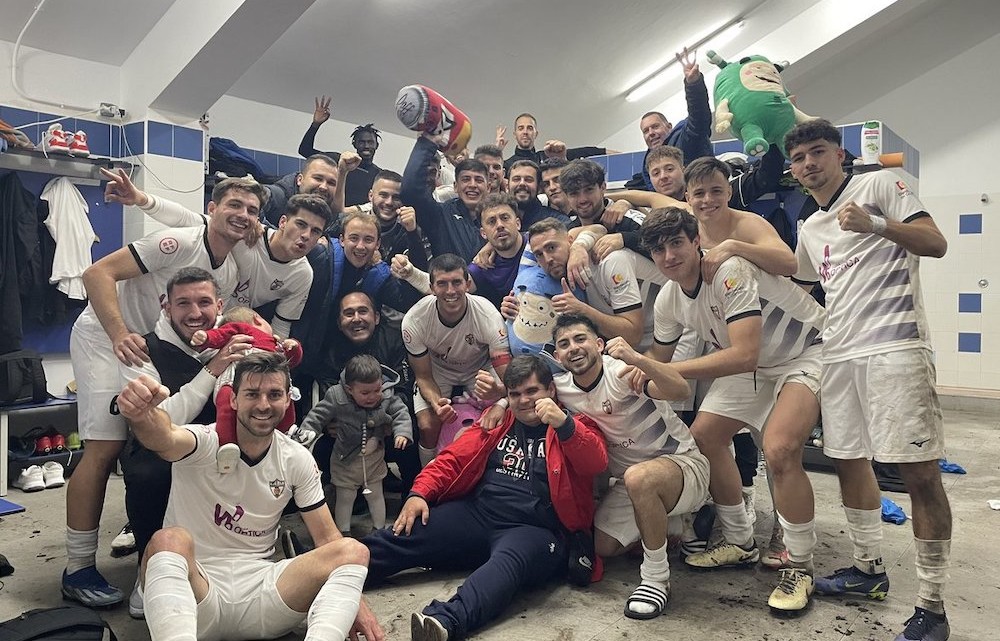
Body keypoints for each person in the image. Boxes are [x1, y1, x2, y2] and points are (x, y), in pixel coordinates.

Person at [786, 119, 952, 641]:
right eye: (799, 159)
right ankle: (867, 570)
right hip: (840, 355)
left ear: (840, 155)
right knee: (847, 459)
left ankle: (932, 607)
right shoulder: (809, 227)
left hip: (895, 348)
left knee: (919, 473)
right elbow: (809, 286)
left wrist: (876, 226)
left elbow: (935, 242)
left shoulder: (879, 186)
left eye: (818, 152)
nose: (809, 163)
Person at [62, 173, 258, 607]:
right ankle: (77, 569)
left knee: (175, 441)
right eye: (234, 206)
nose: (242, 216)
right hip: (108, 335)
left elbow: (179, 213)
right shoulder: (181, 241)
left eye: (251, 211)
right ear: (213, 208)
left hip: (150, 344)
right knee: (105, 447)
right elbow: (97, 273)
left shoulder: (227, 264)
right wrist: (116, 332)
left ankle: (158, 547)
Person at [116, 352, 383, 641]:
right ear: (233, 400)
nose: (264, 405)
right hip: (196, 594)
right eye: (252, 394)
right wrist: (142, 415)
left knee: (353, 551)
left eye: (274, 394)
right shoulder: (206, 441)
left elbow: (328, 540)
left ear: (287, 400)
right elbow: (164, 437)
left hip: (264, 597)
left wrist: (357, 602)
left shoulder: (295, 458)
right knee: (167, 540)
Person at [640, 206, 825, 614]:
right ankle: (739, 542)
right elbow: (658, 358)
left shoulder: (730, 270)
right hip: (755, 365)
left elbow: (743, 354)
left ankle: (800, 566)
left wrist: (661, 369)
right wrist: (628, 370)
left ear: (696, 242)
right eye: (658, 249)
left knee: (778, 449)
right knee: (705, 436)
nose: (669, 256)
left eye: (676, 243)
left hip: (806, 351)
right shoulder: (670, 298)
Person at [364, 354, 608, 641]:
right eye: (515, 394)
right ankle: (335, 567)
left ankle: (445, 621)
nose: (524, 400)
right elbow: (453, 459)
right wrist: (419, 493)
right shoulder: (498, 421)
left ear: (550, 391)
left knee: (508, 563)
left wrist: (563, 424)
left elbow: (596, 462)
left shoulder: (575, 424)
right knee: (408, 530)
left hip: (539, 530)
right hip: (480, 514)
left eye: (532, 391)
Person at [483, 314, 708, 620]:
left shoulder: (623, 372)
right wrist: (499, 403)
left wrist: (638, 357)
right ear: (557, 356)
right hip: (630, 485)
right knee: (602, 545)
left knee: (639, 478)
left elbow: (680, 390)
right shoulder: (561, 386)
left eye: (580, 339)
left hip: (681, 465)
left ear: (599, 344)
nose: (573, 348)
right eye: (564, 344)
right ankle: (679, 523)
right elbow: (527, 391)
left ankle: (656, 579)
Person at [118, 267, 252, 618]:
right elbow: (166, 420)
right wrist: (213, 369)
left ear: (219, 305)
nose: (195, 313)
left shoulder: (234, 339)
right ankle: (148, 571)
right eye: (183, 303)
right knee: (150, 473)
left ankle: (238, 559)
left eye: (204, 302)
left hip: (217, 443)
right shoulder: (142, 349)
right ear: (166, 306)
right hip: (161, 446)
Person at [122, 174, 333, 339]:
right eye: (301, 225)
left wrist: (274, 357)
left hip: (222, 325)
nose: (306, 235)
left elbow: (281, 325)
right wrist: (141, 199)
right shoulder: (245, 234)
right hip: (156, 320)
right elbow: (189, 218)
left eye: (315, 231)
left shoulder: (303, 274)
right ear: (283, 222)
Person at [401, 254, 511, 466]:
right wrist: (437, 403)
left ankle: (490, 475)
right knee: (427, 425)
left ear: (468, 284)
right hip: (437, 371)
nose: (450, 291)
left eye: (456, 282)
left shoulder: (488, 315)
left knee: (500, 417)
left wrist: (501, 396)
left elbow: (509, 377)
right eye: (442, 284)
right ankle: (426, 480)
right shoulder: (414, 320)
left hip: (480, 368)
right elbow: (423, 376)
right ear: (431, 287)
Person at [317, 291, 421, 496]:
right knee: (322, 448)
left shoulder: (394, 340)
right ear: (339, 323)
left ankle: (413, 492)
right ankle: (347, 489)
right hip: (349, 430)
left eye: (363, 311)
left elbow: (404, 388)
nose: (356, 319)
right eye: (348, 313)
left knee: (412, 430)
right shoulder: (329, 349)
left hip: (387, 424)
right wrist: (331, 423)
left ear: (377, 317)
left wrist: (387, 420)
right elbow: (327, 395)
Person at [300, 354, 411, 535]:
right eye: (365, 393)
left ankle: (379, 530)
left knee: (376, 496)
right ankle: (342, 532)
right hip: (346, 459)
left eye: (377, 390)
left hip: (374, 459)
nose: (373, 397)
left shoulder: (387, 395)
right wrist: (305, 437)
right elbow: (316, 417)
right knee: (345, 498)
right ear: (349, 389)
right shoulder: (336, 397)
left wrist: (403, 433)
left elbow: (401, 413)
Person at [190, 306, 304, 472]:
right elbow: (222, 334)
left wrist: (294, 346)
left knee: (284, 398)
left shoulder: (276, 343)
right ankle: (226, 444)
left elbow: (292, 360)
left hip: (270, 381)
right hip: (235, 377)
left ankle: (288, 432)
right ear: (258, 319)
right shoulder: (243, 330)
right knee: (227, 404)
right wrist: (207, 337)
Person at [394, 193, 527, 308]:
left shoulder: (536, 242)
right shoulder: (483, 264)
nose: (499, 225)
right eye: (491, 221)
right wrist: (410, 273)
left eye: (505, 218)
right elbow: (444, 287)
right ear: (483, 233)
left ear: (518, 223)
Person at [624, 48, 713, 191]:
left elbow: (699, 117)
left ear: (669, 127)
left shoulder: (686, 138)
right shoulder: (649, 163)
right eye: (645, 131)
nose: (651, 133)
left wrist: (693, 84)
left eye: (655, 126)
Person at [400, 132, 491, 263]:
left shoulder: (497, 218)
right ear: (455, 187)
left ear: (488, 187)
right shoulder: (440, 215)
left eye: (479, 180)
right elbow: (410, 191)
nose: (472, 185)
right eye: (466, 179)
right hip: (448, 282)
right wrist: (427, 143)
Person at [298, 96, 382, 207]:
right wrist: (315, 124)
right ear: (354, 144)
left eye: (370, 142)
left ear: (377, 145)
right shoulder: (339, 161)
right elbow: (305, 150)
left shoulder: (379, 175)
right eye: (362, 142)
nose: (366, 146)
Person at [342, 168, 431, 270]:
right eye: (383, 195)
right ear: (371, 196)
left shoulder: (408, 229)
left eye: (396, 197)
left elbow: (421, 271)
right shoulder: (351, 222)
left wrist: (412, 232)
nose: (389, 202)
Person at [501, 112, 608, 172]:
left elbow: (588, 151)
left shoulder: (549, 155)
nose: (525, 132)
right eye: (520, 128)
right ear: (515, 134)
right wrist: (496, 154)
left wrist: (623, 156)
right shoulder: (506, 164)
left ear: (536, 134)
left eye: (529, 128)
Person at [261, 153, 341, 227]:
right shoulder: (277, 196)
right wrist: (274, 235)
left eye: (331, 183)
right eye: (318, 178)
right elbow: (252, 198)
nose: (323, 187)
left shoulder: (329, 211)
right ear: (300, 180)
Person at [507, 159, 570, 227]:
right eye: (516, 179)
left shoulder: (558, 221)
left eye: (529, 180)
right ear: (507, 186)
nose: (522, 183)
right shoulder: (498, 220)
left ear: (539, 187)